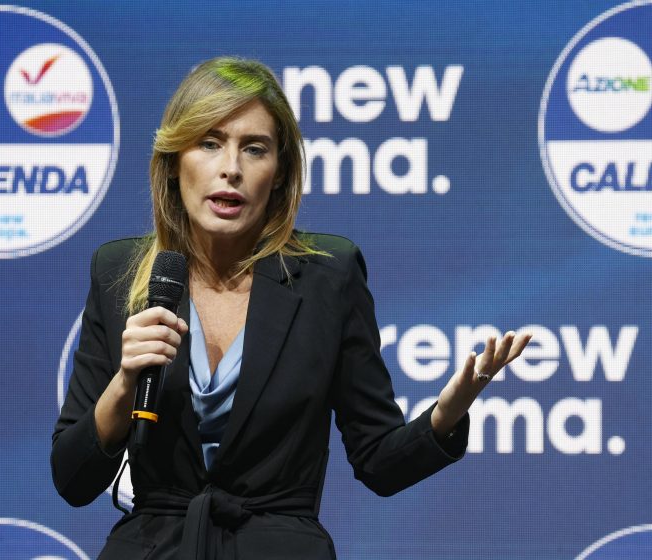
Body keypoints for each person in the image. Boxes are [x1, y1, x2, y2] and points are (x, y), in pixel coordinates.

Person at [51, 56, 531, 560]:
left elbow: (379, 463)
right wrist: (125, 384)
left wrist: (445, 416)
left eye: (254, 148)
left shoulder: (329, 277)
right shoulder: (119, 273)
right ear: (173, 161)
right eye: (209, 143)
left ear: (280, 173)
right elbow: (72, 479)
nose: (231, 168)